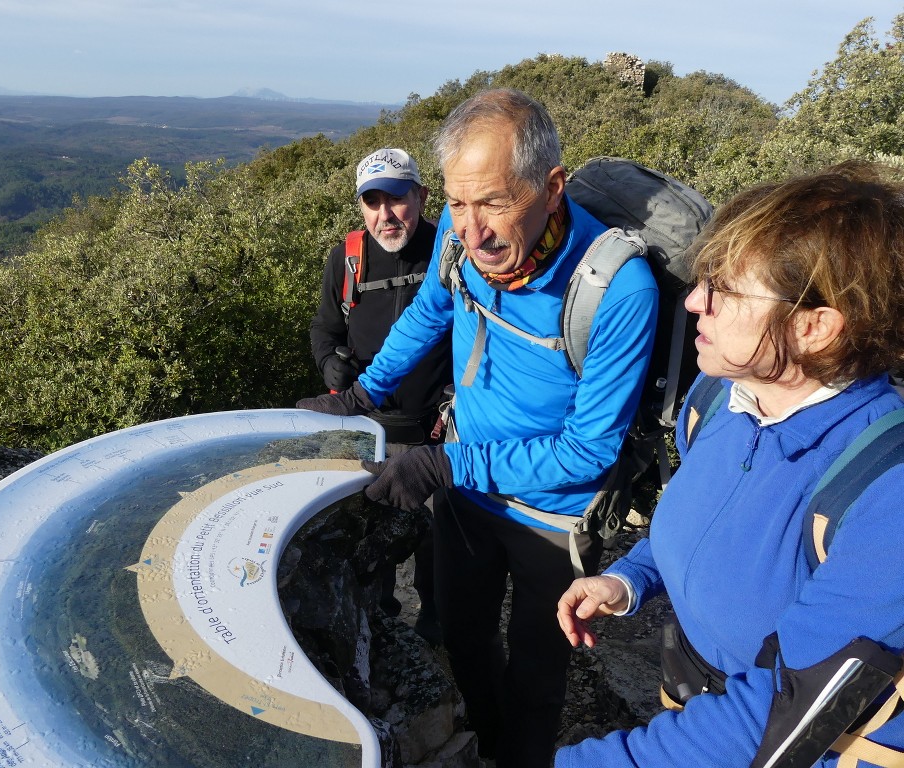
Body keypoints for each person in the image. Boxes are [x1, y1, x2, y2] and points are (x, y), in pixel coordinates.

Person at [298, 89, 659, 767]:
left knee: (536, 670)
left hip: (554, 515)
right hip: (468, 494)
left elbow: (588, 450)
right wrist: (360, 397)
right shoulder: (458, 251)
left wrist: (443, 466)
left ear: (551, 188)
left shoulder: (616, 288)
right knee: (463, 637)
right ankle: (488, 745)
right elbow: (427, 318)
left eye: (494, 202)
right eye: (458, 205)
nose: (473, 229)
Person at [555, 161, 904, 768]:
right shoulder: (721, 398)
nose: (693, 302)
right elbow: (703, 510)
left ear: (815, 326)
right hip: (693, 688)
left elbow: (778, 712)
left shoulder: (886, 492)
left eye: (724, 290)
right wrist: (631, 580)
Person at [308, 147, 452, 643]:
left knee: (437, 539)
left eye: (397, 200)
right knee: (372, 531)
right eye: (373, 203)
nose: (385, 216)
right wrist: (331, 363)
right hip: (366, 429)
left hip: (436, 428)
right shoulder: (348, 258)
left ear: (422, 197)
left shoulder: (449, 252)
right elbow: (325, 329)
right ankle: (381, 616)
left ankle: (435, 618)